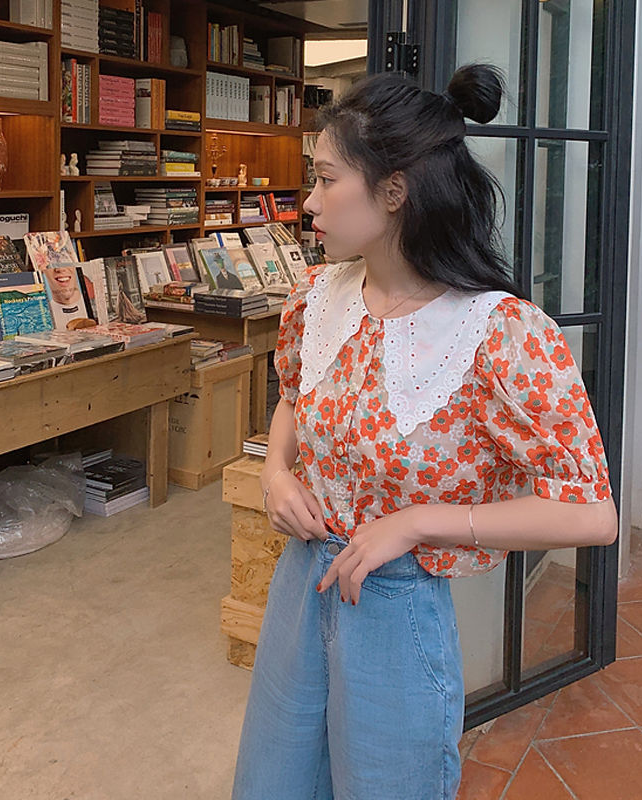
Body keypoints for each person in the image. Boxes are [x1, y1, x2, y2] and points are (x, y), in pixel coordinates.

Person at [231, 64, 618, 800]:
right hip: (298, 584)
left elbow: (592, 514)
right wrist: (277, 474)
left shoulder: (501, 336)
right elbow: (293, 400)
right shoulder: (319, 298)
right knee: (270, 781)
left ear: (394, 191)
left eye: (324, 179)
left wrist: (416, 523)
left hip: (397, 606)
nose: (307, 202)